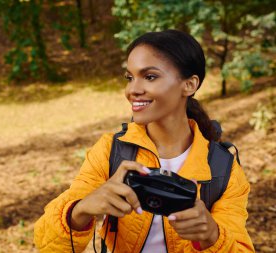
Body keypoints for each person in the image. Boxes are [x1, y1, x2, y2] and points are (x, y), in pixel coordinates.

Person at [34, 30, 255, 253]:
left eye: (149, 77)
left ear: (189, 85)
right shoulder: (111, 150)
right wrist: (79, 212)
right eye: (130, 78)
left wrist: (212, 235)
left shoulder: (223, 168)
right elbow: (46, 244)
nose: (132, 90)